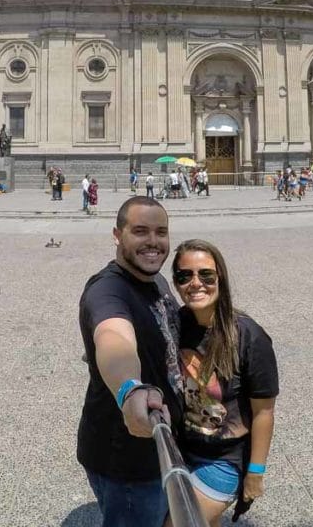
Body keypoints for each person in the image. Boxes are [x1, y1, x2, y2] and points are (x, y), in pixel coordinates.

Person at [77, 196, 181, 527]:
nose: (153, 242)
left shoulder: (157, 281)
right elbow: (114, 339)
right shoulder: (107, 290)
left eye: (161, 232)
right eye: (140, 231)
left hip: (159, 447)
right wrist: (130, 390)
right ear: (117, 235)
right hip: (127, 460)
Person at [167, 239, 278, 527]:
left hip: (225, 460)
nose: (196, 283)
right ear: (176, 283)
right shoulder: (177, 323)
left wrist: (255, 472)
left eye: (206, 275)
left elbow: (264, 412)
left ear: (221, 279)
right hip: (182, 449)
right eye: (184, 275)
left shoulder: (249, 336)